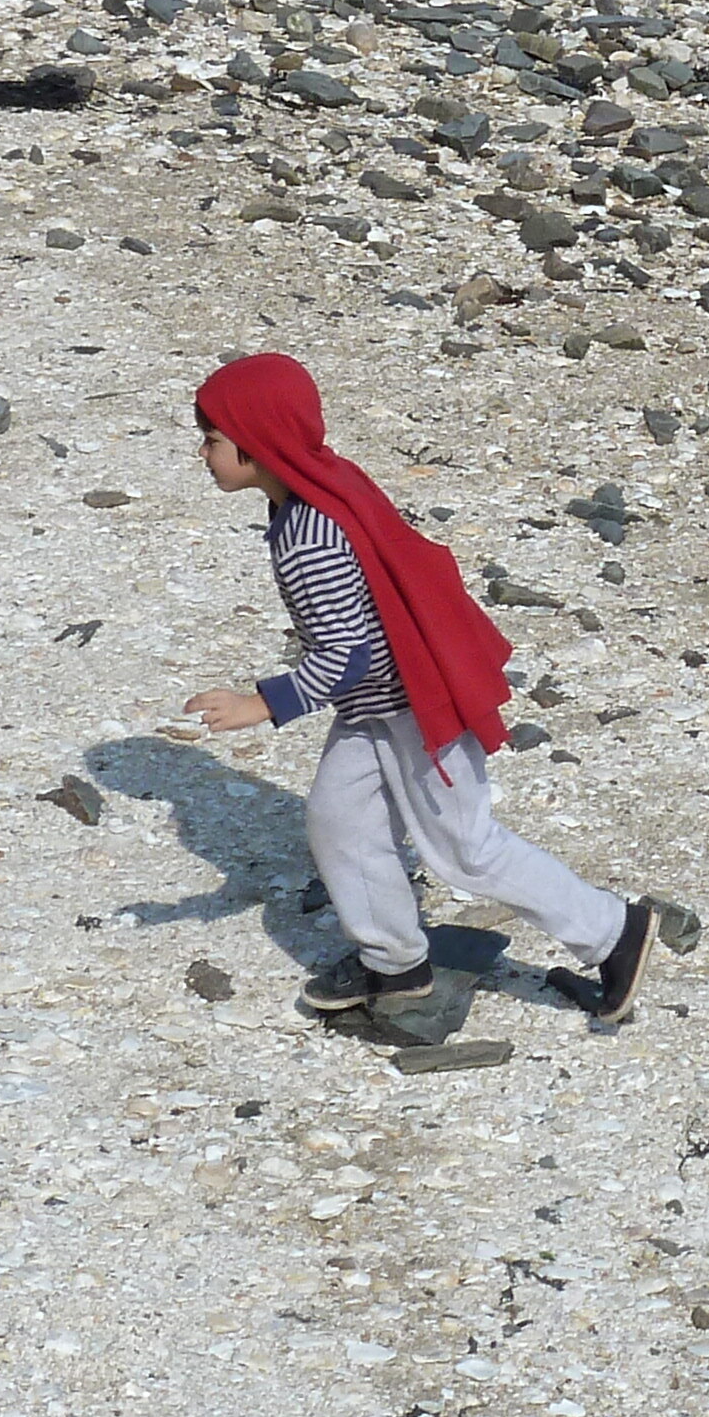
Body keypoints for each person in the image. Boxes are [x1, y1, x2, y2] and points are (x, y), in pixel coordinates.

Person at [177, 351, 653, 1027]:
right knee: (340, 823)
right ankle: (395, 964)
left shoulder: (311, 537)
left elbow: (346, 654)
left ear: (257, 447)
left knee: (466, 849)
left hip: (419, 710)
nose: (202, 454)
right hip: (379, 706)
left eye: (213, 441)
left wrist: (262, 703)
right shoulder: (321, 488)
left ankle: (614, 931)